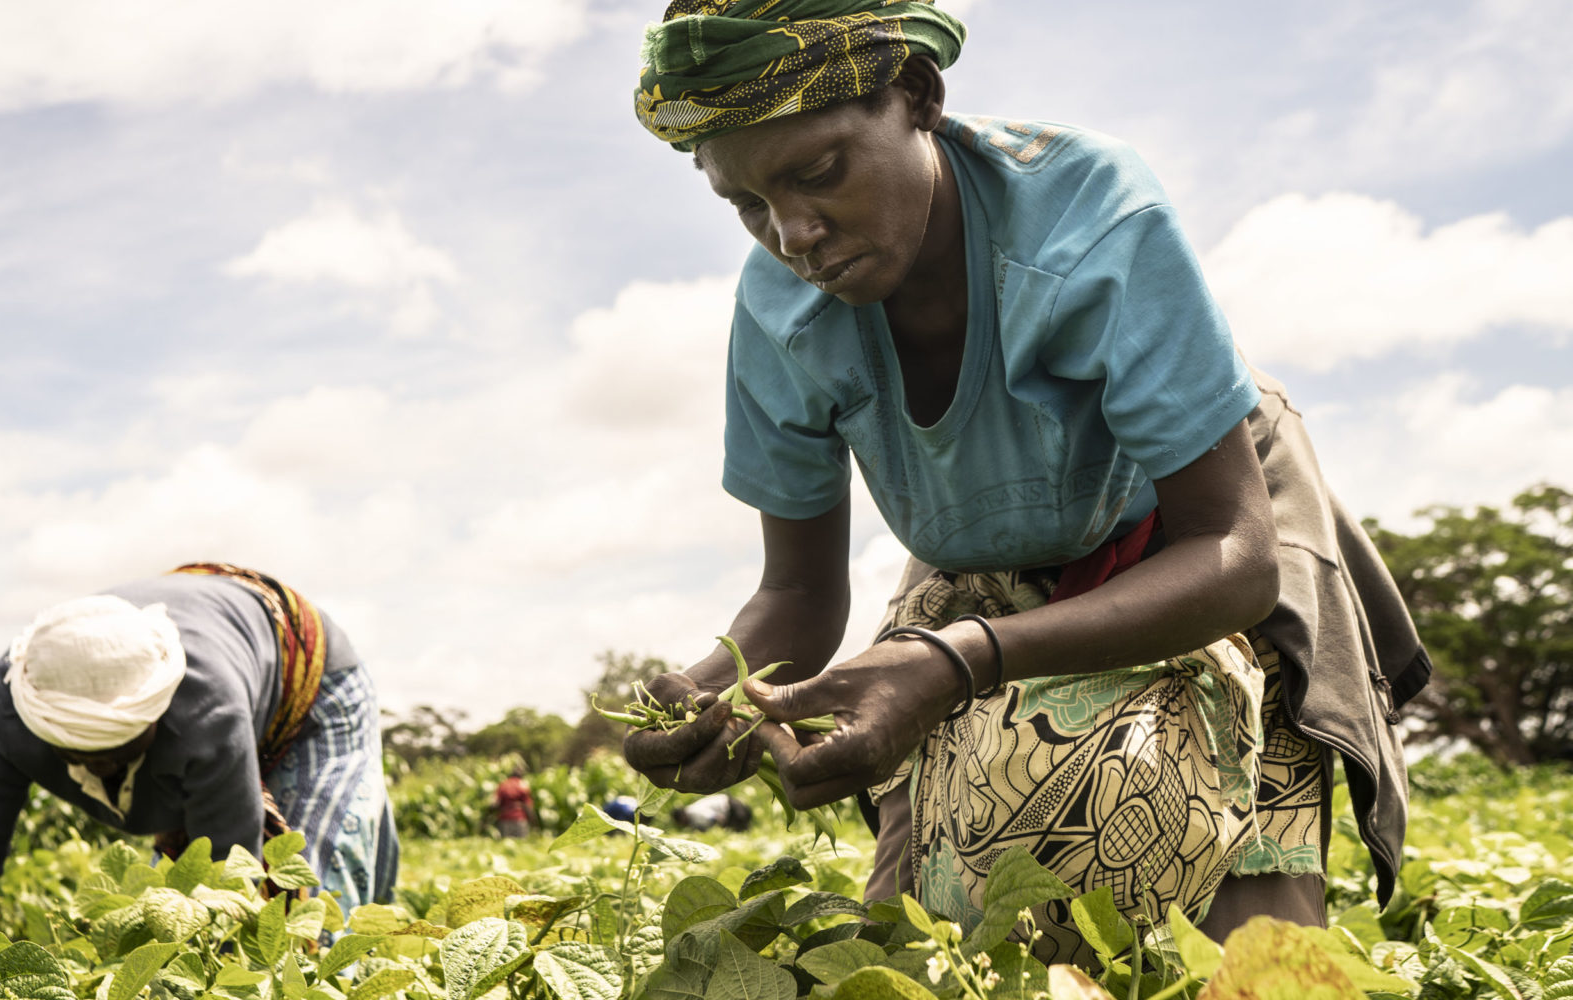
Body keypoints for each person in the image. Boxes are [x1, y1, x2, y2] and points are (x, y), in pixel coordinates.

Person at [619, 0, 1428, 965]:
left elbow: (1235, 556)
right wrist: (731, 692)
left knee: (1245, 959)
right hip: (984, 553)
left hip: (1192, 536)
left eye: (820, 172)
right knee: (929, 946)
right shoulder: (781, 311)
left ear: (916, 96)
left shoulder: (1090, 214)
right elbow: (796, 595)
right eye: (747, 204)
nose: (793, 233)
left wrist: (954, 662)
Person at [0, 563, 400, 926]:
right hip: (218, 673)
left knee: (309, 916)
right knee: (167, 927)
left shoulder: (202, 710)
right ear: (45, 732)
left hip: (307, 679)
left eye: (122, 744)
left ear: (157, 713)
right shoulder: (9, 710)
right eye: (80, 751)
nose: (103, 767)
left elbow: (227, 880)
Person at [671, 793, 753, 833]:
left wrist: (721, 828)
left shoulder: (694, 811)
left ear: (682, 816)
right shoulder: (691, 816)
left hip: (728, 805)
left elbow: (714, 816)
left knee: (744, 822)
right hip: (726, 808)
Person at [493, 767, 537, 838]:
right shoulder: (522, 785)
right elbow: (527, 806)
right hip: (519, 820)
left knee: (506, 845)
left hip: (504, 819)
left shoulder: (503, 785)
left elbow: (494, 803)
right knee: (521, 845)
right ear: (521, 776)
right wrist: (533, 820)